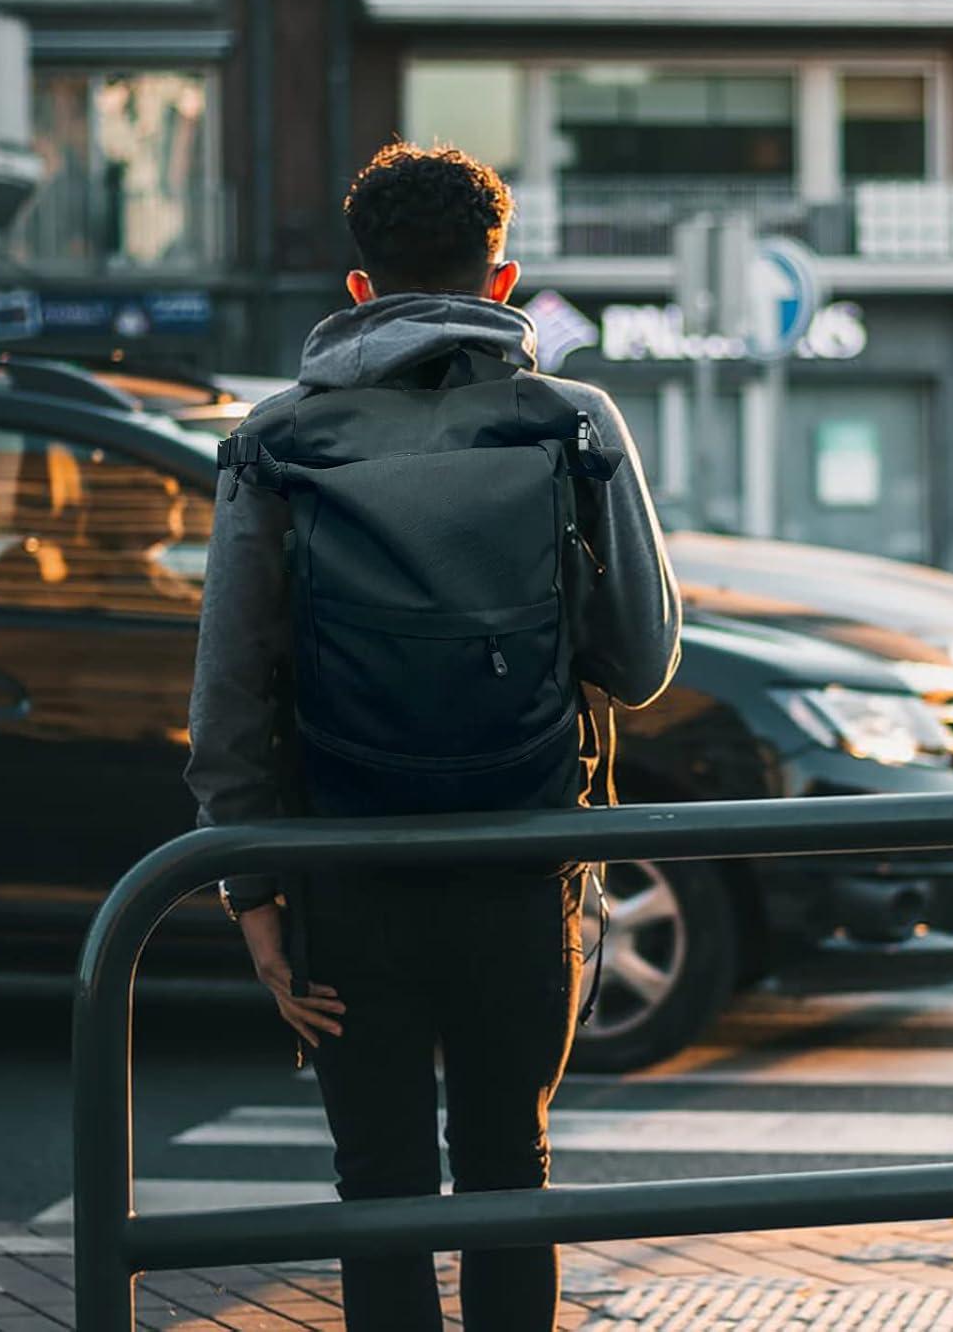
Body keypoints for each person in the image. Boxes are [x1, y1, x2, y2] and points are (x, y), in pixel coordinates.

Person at [185, 141, 681, 1332]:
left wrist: (255, 901)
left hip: (346, 878)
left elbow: (231, 692)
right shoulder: (574, 422)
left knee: (381, 1191)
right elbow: (645, 659)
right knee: (513, 1171)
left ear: (359, 289)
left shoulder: (279, 441)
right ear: (499, 282)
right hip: (525, 867)